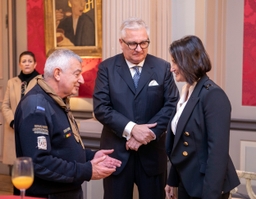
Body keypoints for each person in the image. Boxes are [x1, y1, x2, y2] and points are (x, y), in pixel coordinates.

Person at [14, 49, 121, 199]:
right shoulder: (36, 106)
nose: (82, 80)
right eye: (77, 74)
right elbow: (40, 162)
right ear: (57, 73)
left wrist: (91, 156)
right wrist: (87, 170)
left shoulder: (57, 101)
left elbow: (63, 148)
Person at [93, 17, 179, 199]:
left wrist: (145, 136)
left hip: (152, 155)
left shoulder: (162, 67)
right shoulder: (106, 68)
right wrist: (132, 129)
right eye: (133, 44)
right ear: (121, 43)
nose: (139, 49)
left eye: (144, 43)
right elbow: (101, 107)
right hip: (116, 154)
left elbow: (171, 104)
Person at [165, 35, 240, 199]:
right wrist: (172, 180)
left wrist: (210, 195)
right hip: (187, 181)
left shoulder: (213, 95)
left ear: (188, 62)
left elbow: (217, 154)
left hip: (207, 186)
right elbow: (181, 145)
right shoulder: (187, 92)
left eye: (175, 62)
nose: (172, 68)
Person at [1, 51, 40, 167]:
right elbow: (5, 105)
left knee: (33, 166)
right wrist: (13, 122)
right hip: (14, 130)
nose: (27, 64)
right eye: (24, 61)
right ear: (19, 64)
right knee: (16, 169)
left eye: (30, 61)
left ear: (35, 64)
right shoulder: (11, 82)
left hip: (33, 129)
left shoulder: (41, 82)